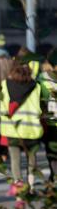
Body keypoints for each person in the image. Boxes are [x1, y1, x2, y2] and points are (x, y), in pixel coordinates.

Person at [0, 61, 45, 194]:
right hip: (32, 129)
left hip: (12, 130)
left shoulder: (5, 85)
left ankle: (18, 184)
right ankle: (31, 185)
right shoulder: (36, 86)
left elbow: (2, 105)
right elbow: (41, 106)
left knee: (15, 159)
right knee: (32, 158)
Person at [38, 48, 57, 182]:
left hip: (50, 120)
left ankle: (54, 174)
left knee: (51, 150)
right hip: (49, 119)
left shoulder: (42, 78)